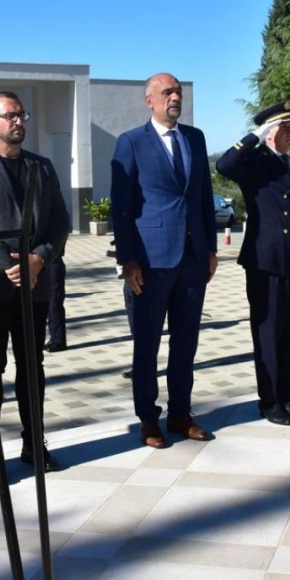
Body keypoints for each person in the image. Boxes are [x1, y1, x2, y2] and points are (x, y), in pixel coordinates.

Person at [0, 91, 70, 486]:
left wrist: (38, 258)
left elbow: (59, 221)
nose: (18, 121)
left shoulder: (42, 166)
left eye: (22, 114)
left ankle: (33, 444)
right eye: (9, 115)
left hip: (34, 286)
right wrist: (10, 266)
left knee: (31, 369)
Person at [111, 72, 218, 448]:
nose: (175, 97)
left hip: (191, 258)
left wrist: (210, 249)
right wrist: (128, 260)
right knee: (148, 344)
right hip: (151, 261)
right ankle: (148, 419)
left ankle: (180, 413)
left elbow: (204, 195)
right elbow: (121, 209)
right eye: (167, 92)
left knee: (186, 342)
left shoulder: (195, 138)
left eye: (178, 91)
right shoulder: (131, 143)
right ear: (150, 100)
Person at [216, 102, 290, 425]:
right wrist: (253, 137)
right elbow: (224, 165)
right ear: (269, 132)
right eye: (284, 127)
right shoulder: (255, 162)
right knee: (268, 333)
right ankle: (270, 400)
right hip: (266, 261)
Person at [45, 257, 68, 352]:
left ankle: (59, 341)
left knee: (54, 303)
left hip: (53, 261)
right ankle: (53, 337)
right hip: (45, 264)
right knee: (49, 306)